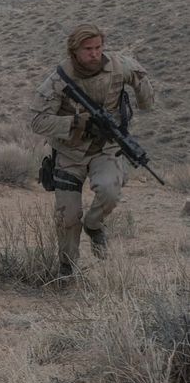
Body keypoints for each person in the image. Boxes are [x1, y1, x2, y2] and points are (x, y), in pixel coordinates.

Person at [29, 23, 155, 277]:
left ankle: (94, 225)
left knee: (109, 191)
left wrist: (143, 96)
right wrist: (77, 123)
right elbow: (37, 121)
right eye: (88, 49)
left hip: (106, 147)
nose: (95, 53)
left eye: (98, 47)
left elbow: (141, 81)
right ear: (74, 50)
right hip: (69, 152)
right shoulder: (59, 79)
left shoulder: (119, 66)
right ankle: (67, 269)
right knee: (67, 217)